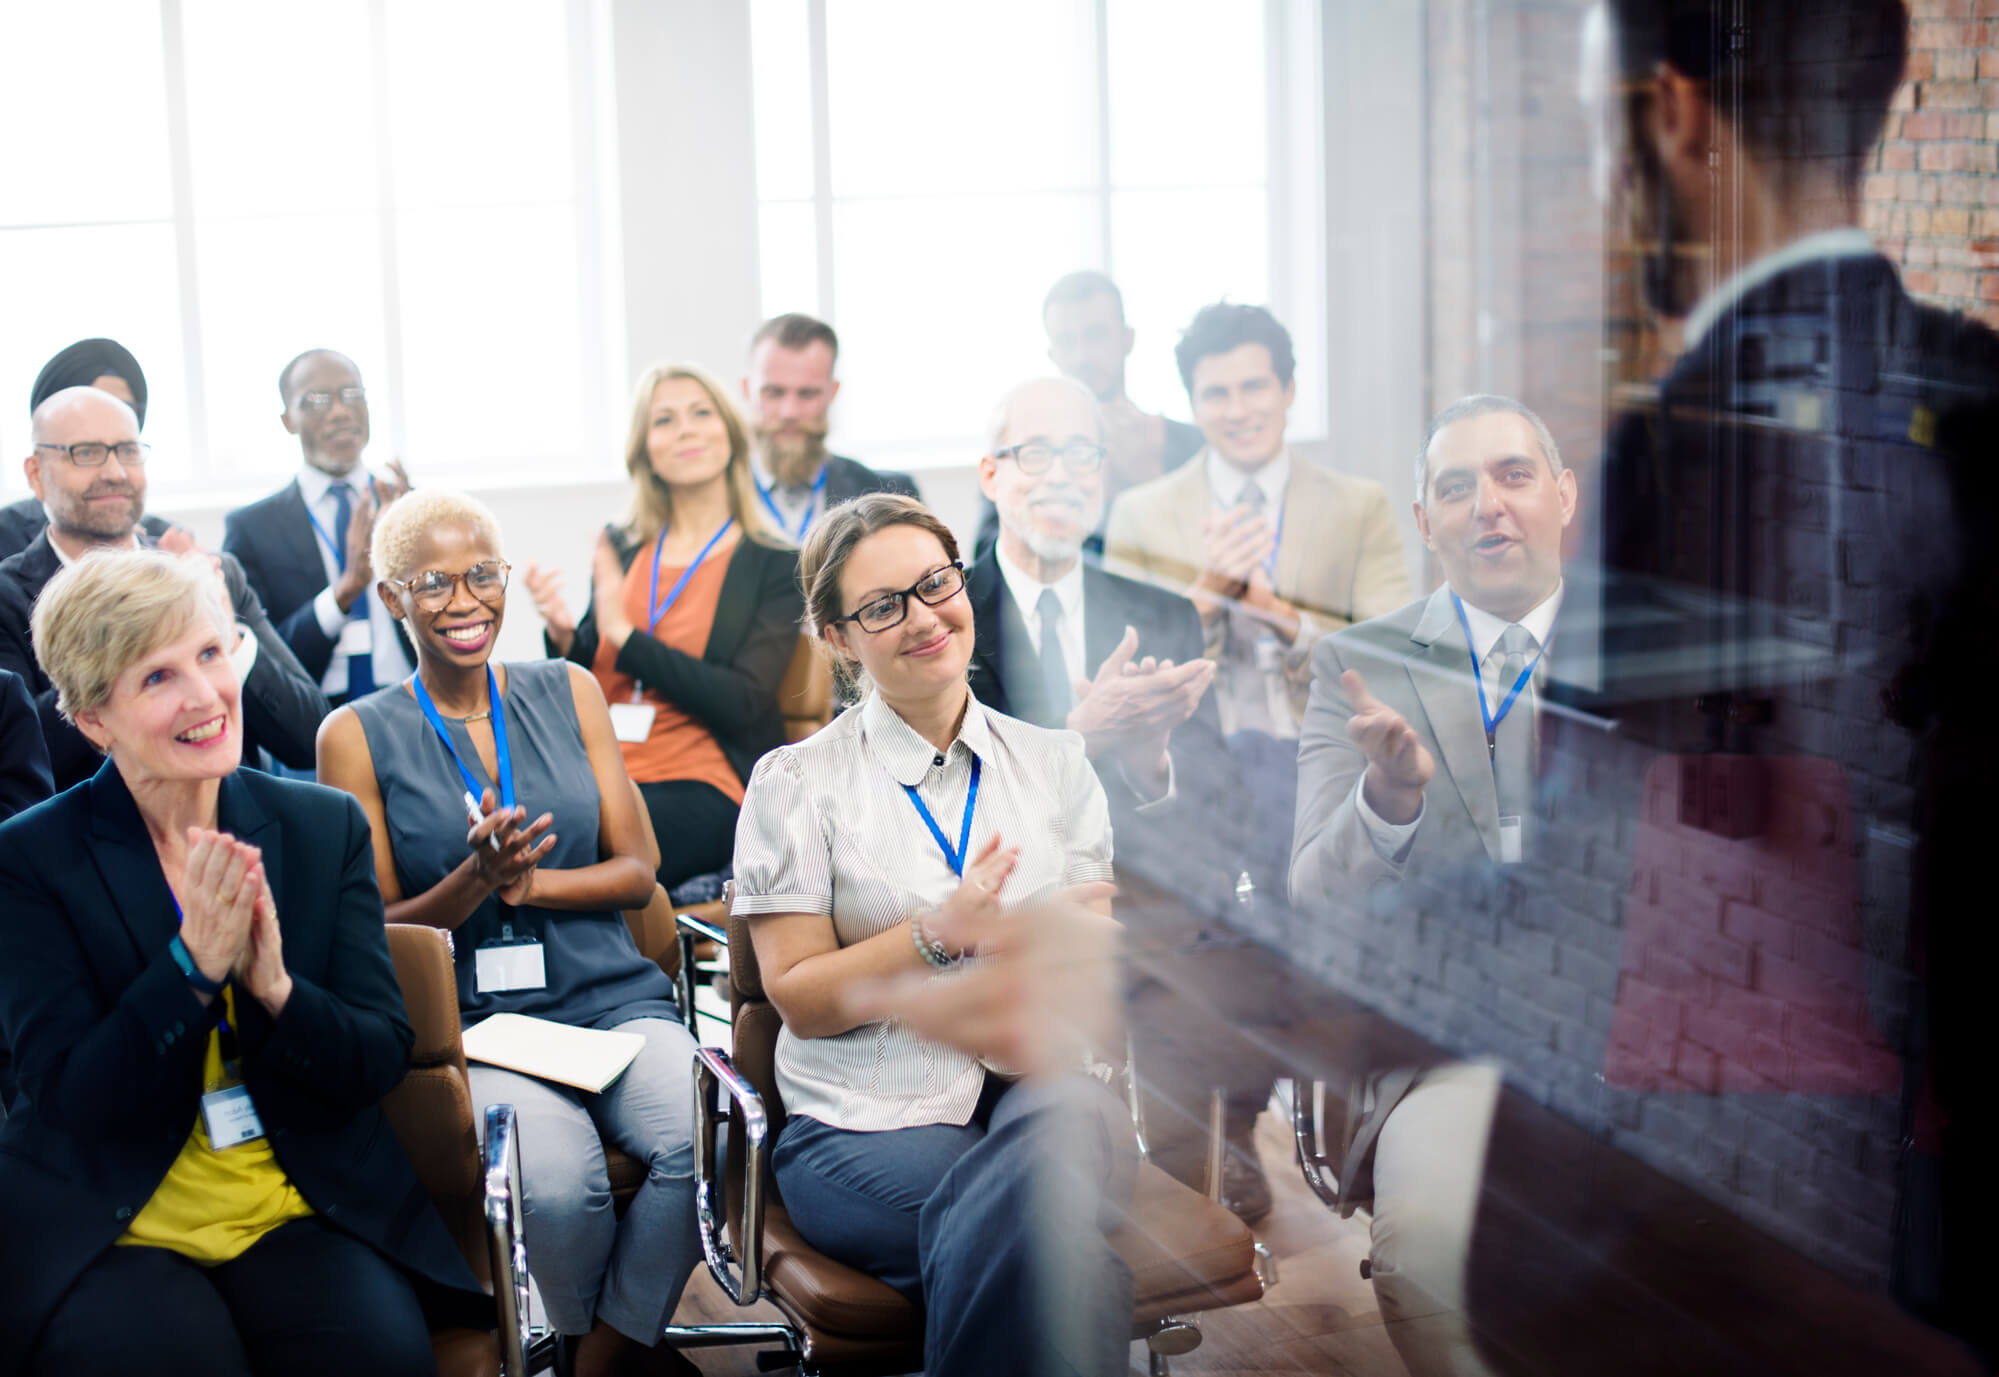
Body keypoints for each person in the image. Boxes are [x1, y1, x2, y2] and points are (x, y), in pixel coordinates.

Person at [1589, 1, 1999, 1363]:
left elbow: (1626, 873)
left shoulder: (1671, 452)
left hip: (1762, 1177)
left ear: (1672, 114)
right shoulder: (1985, 386)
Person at [0, 548, 485, 1376]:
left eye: (211, 653)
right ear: (91, 719)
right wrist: (191, 970)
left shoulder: (320, 826)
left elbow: (375, 1057)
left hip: (296, 1199)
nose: (204, 696)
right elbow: (72, 1098)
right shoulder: (31, 858)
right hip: (118, 1219)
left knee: (380, 1357)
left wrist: (276, 990)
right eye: (156, 677)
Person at [732, 492, 1137, 1377]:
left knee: (1045, 1167)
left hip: (1046, 1086)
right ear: (838, 637)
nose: (922, 618)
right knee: (1050, 1240)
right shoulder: (796, 783)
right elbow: (798, 998)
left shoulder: (1055, 764)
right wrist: (935, 934)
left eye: (933, 584)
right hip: (864, 1117)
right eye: (882, 606)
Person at [316, 490, 703, 1377]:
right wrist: (473, 881)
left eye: (483, 574)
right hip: (481, 1027)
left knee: (700, 1136)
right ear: (391, 599)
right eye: (436, 582)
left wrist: (529, 883)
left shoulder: (568, 689)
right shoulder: (354, 733)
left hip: (611, 1003)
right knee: (559, 1185)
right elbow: (369, 925)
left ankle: (600, 1351)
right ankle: (599, 1340)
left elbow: (637, 870)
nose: (466, 601)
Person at [1289, 394, 1576, 1377]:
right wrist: (1388, 795)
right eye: (1455, 487)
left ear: (1562, 497)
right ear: (1423, 522)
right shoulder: (1358, 664)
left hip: (1625, 1053)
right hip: (1445, 1047)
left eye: (1512, 476)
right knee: (1427, 1261)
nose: (1486, 506)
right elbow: (1311, 889)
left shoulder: (1648, 653)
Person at [966, 376, 1277, 1221]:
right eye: (1037, 452)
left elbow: (1218, 804)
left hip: (1140, 902)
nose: (1061, 472)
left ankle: (1207, 1155)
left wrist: (1149, 763)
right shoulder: (943, 613)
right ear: (991, 474)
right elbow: (929, 796)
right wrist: (1079, 736)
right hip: (990, 906)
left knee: (1226, 935)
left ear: (1102, 477)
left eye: (1082, 453)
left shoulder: (1159, 612)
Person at [1105, 300, 1412, 896]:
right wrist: (1206, 598)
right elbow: (1122, 676)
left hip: (1324, 761)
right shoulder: (1140, 515)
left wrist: (1279, 614)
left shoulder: (1358, 505)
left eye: (1255, 387)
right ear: (1192, 404)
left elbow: (1392, 657)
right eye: (1216, 394)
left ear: (1289, 389)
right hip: (1196, 773)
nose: (1238, 410)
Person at [522, 363, 803, 893]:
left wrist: (627, 639)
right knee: (508, 826)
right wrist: (565, 637)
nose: (687, 430)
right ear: (644, 449)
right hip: (601, 770)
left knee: (569, 841)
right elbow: (590, 680)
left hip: (706, 781)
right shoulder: (622, 545)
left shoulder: (773, 561)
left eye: (701, 413)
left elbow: (743, 702)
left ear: (730, 433)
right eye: (665, 420)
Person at [0, 387, 327, 790]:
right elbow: (18, 756)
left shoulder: (209, 573)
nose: (115, 472)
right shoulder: (8, 597)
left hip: (239, 825)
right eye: (85, 453)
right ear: (35, 474)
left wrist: (228, 639)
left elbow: (307, 738)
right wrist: (133, 636)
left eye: (128, 450)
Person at [223, 350, 415, 710]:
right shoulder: (251, 529)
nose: (340, 411)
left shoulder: (409, 503)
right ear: (287, 419)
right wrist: (346, 588)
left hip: (413, 702)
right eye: (317, 400)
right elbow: (258, 659)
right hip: (315, 722)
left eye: (353, 395)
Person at [973, 270, 1205, 562]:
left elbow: (1208, 546)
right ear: (1053, 354)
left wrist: (1146, 481)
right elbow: (987, 559)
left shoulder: (1189, 443)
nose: (1082, 356)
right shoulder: (1016, 450)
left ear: (1127, 339)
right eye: (1067, 341)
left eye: (1096, 335)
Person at [740, 313, 918, 542]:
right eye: (774, 393)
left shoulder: (892, 497)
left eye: (808, 394)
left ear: (832, 393)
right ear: (746, 390)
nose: (790, 412)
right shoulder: (703, 498)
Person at [0, 337, 172, 561]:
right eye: (86, 451)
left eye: (121, 408)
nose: (114, 473)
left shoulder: (167, 543)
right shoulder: (8, 544)